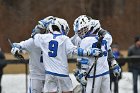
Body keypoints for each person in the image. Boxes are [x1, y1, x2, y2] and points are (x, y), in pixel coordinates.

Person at [72, 15, 121, 93]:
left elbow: (82, 58)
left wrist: (81, 71)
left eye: (83, 30)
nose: (81, 33)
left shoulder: (86, 40)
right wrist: (114, 63)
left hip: (93, 73)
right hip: (105, 71)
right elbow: (108, 49)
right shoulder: (105, 37)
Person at [10, 16, 54, 93]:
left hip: (46, 76)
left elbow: (18, 46)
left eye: (42, 29)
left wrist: (15, 49)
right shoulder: (57, 41)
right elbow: (19, 46)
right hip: (42, 76)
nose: (39, 31)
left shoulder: (33, 41)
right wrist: (16, 49)